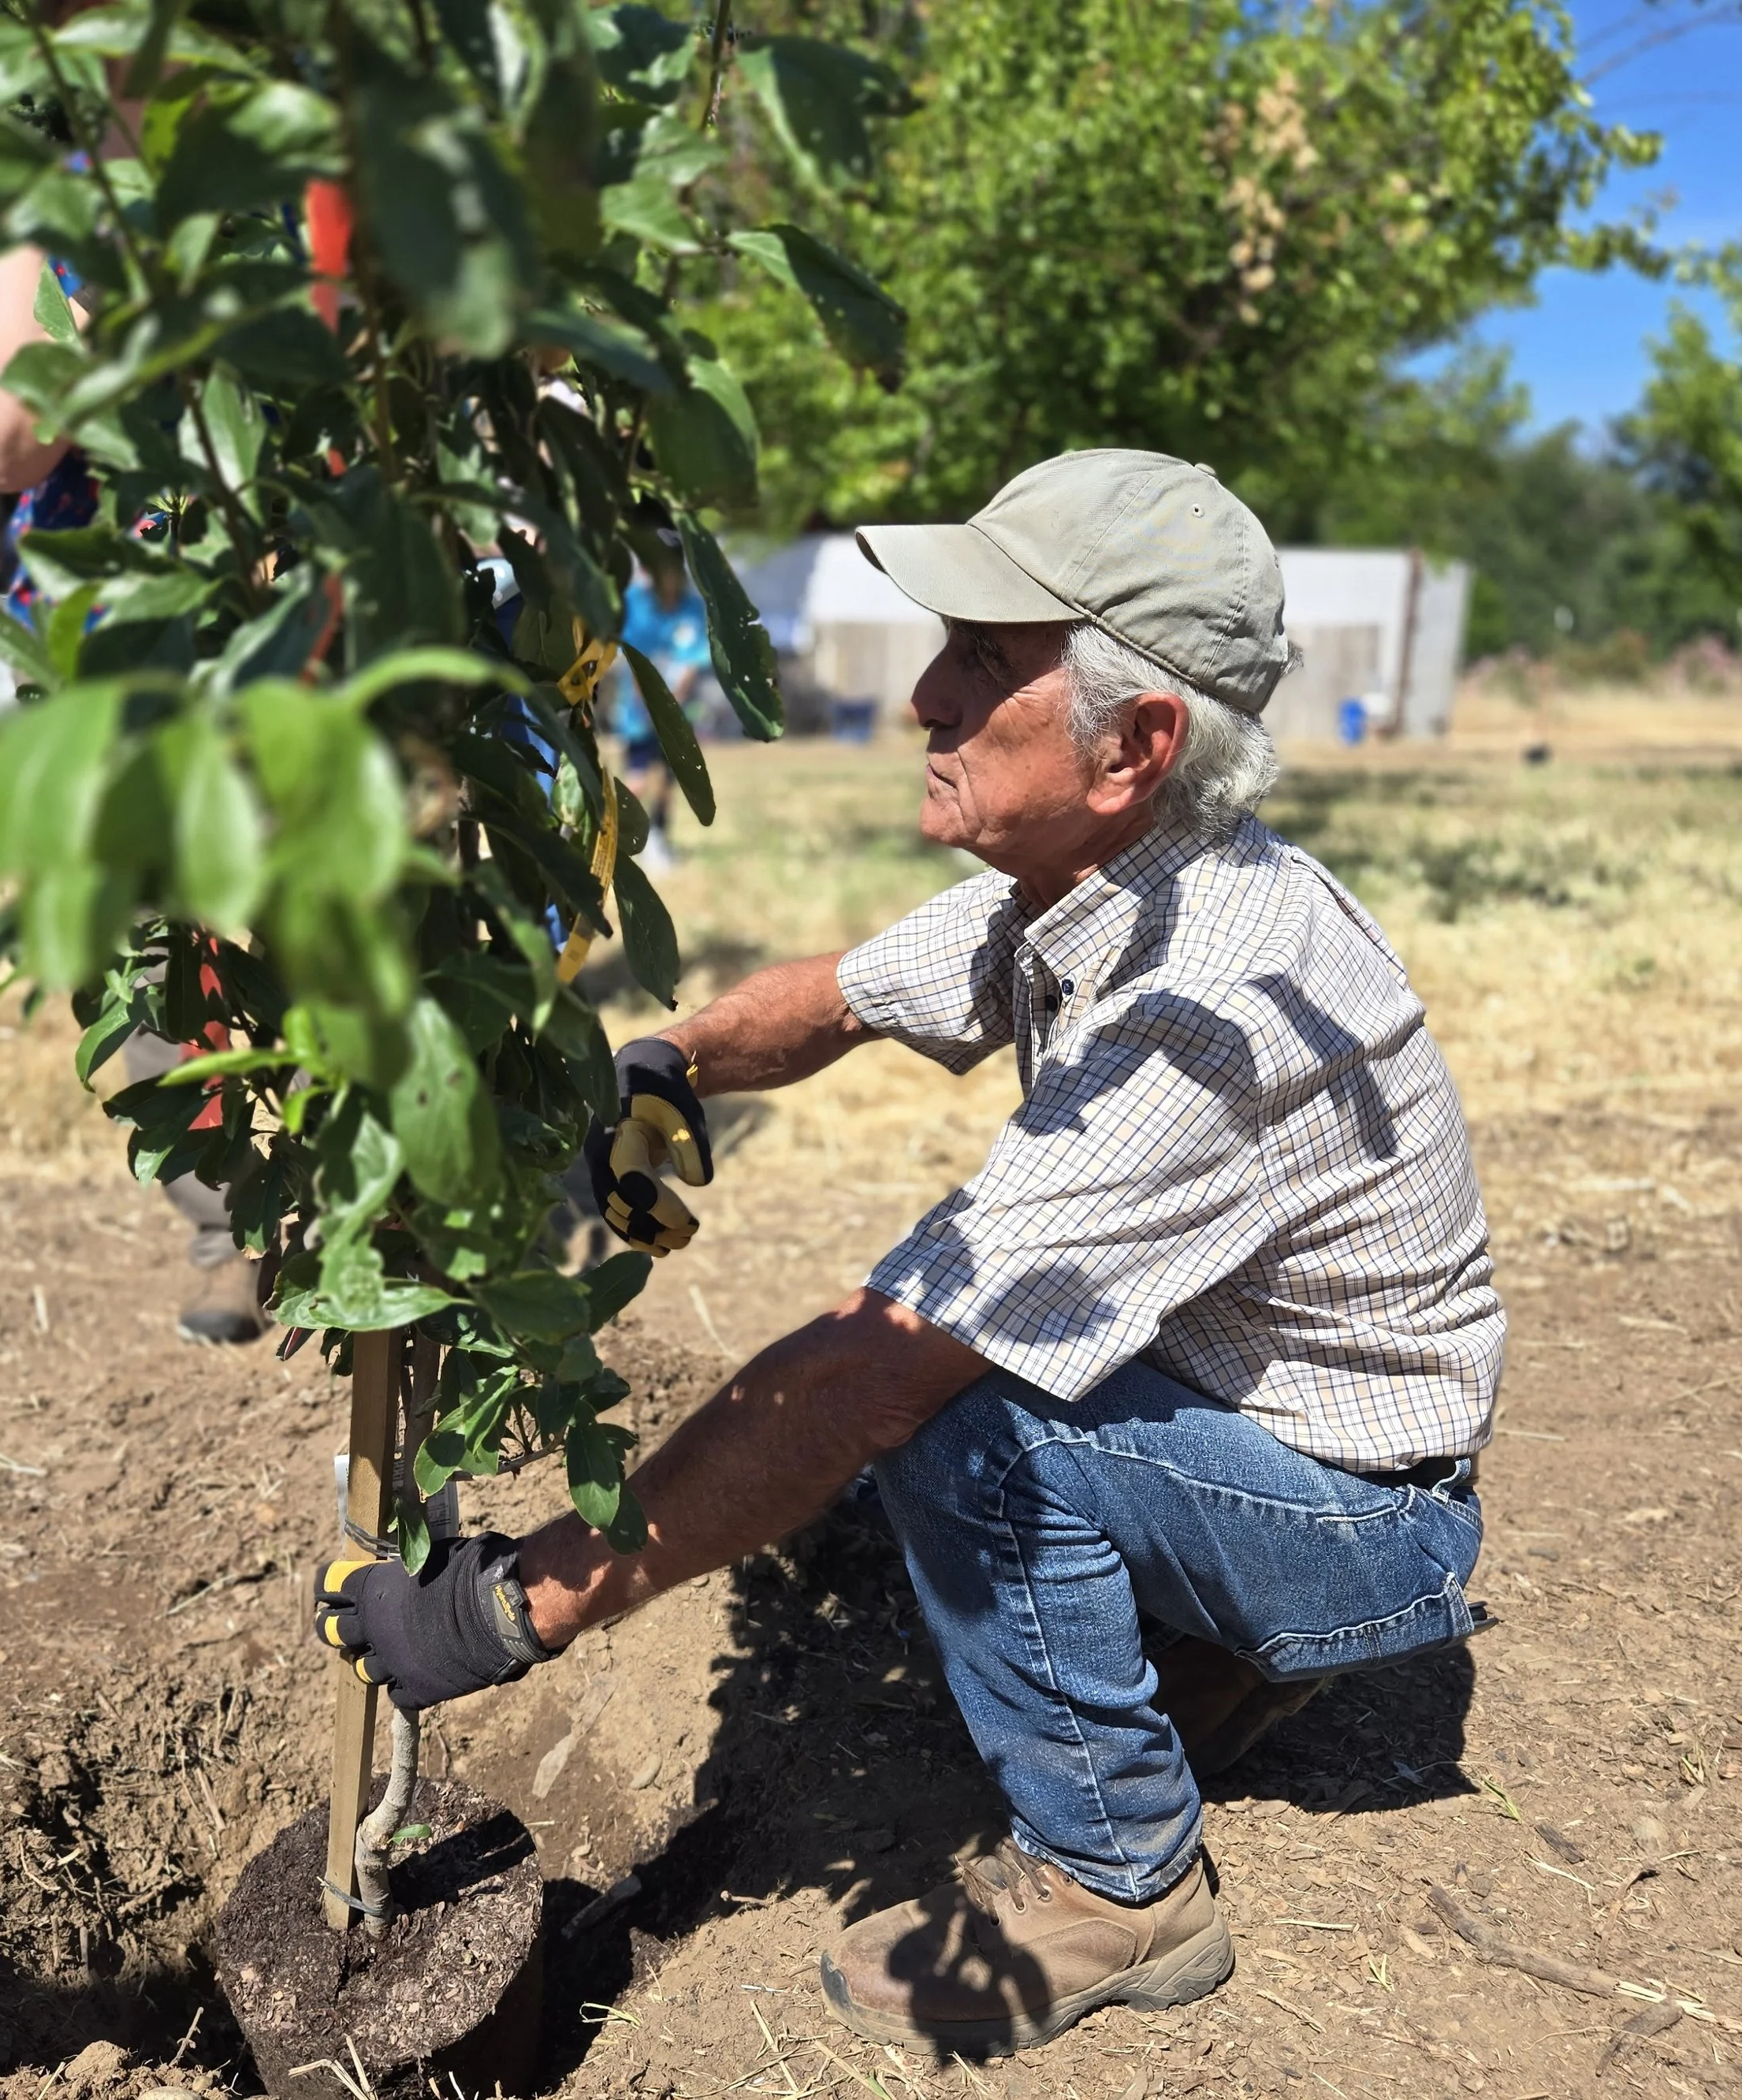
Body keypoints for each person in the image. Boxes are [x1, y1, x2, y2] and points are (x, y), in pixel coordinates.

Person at [315, 452, 1503, 2058]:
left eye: (987, 660)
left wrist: (516, 1604)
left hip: (1366, 1521)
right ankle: (1209, 1640)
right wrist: (666, 1062)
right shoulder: (1096, 881)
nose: (926, 693)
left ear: (1134, 744)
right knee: (954, 1411)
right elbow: (844, 993)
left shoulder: (1199, 1006)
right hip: (1260, 1436)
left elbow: (863, 1378)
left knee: (960, 1424)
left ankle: (1122, 1880)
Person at [0, 249, 266, 1347]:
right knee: (168, 948)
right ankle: (232, 1229)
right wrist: (117, 290)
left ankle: (384, 1216)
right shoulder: (43, 219)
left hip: (309, 607)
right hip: (113, 642)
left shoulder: (313, 181)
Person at [609, 555, 711, 869]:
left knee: (669, 780)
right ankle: (616, 838)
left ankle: (659, 839)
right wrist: (651, 705)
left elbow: (693, 660)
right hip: (638, 712)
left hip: (678, 712)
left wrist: (671, 707)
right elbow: (633, 659)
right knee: (637, 779)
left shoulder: (692, 608)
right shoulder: (635, 604)